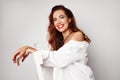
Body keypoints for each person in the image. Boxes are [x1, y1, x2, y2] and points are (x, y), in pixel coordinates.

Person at [13, 5, 95, 80]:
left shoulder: (77, 35)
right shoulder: (59, 44)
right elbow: (52, 61)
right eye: (55, 20)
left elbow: (60, 60)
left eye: (62, 17)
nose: (58, 22)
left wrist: (29, 48)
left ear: (69, 19)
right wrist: (31, 51)